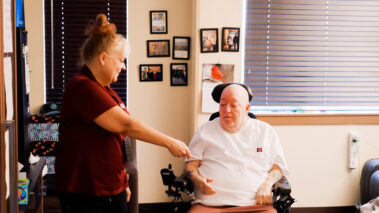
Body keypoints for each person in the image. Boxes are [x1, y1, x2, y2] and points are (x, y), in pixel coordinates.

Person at [55, 13, 191, 213]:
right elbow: (126, 125)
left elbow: (116, 138)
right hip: (86, 192)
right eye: (120, 60)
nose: (123, 66)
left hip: (109, 187)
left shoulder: (104, 88)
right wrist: (169, 142)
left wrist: (121, 181)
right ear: (103, 58)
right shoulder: (82, 87)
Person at [185, 84, 288, 213]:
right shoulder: (205, 130)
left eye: (233, 105)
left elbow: (278, 167)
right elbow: (190, 166)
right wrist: (197, 180)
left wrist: (267, 185)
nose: (226, 110)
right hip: (209, 205)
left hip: (255, 205)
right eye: (222, 105)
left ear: (247, 108)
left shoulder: (265, 131)